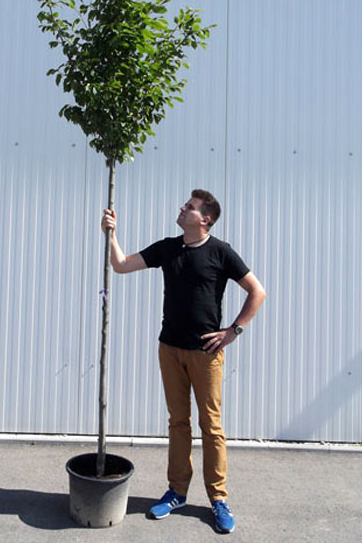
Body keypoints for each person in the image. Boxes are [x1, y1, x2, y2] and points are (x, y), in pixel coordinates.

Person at [101, 189, 266, 534]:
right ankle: (176, 492)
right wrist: (111, 233)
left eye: (189, 208)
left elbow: (257, 291)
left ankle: (218, 499)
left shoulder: (221, 252)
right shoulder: (168, 247)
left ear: (205, 219)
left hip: (206, 354)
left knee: (212, 426)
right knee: (178, 422)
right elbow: (120, 266)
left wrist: (233, 330)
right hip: (170, 349)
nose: (182, 209)